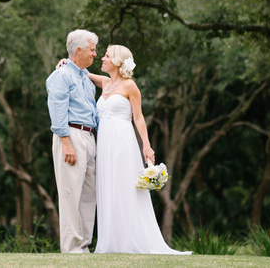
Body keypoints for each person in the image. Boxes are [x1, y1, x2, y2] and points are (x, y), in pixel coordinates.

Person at [57, 45, 190, 255]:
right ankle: (111, 241)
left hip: (122, 142)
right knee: (107, 187)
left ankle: (132, 239)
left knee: (125, 187)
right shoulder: (105, 83)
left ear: (118, 61)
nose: (102, 58)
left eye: (107, 56)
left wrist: (146, 146)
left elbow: (138, 117)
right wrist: (66, 62)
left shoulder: (130, 86)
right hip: (104, 143)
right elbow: (81, 71)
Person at [45, 29, 99, 253]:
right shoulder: (61, 75)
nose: (95, 54)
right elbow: (57, 112)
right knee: (71, 194)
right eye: (92, 50)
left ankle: (84, 246)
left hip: (89, 136)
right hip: (71, 135)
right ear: (79, 50)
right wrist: (66, 143)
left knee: (88, 195)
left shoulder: (85, 78)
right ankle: (71, 249)